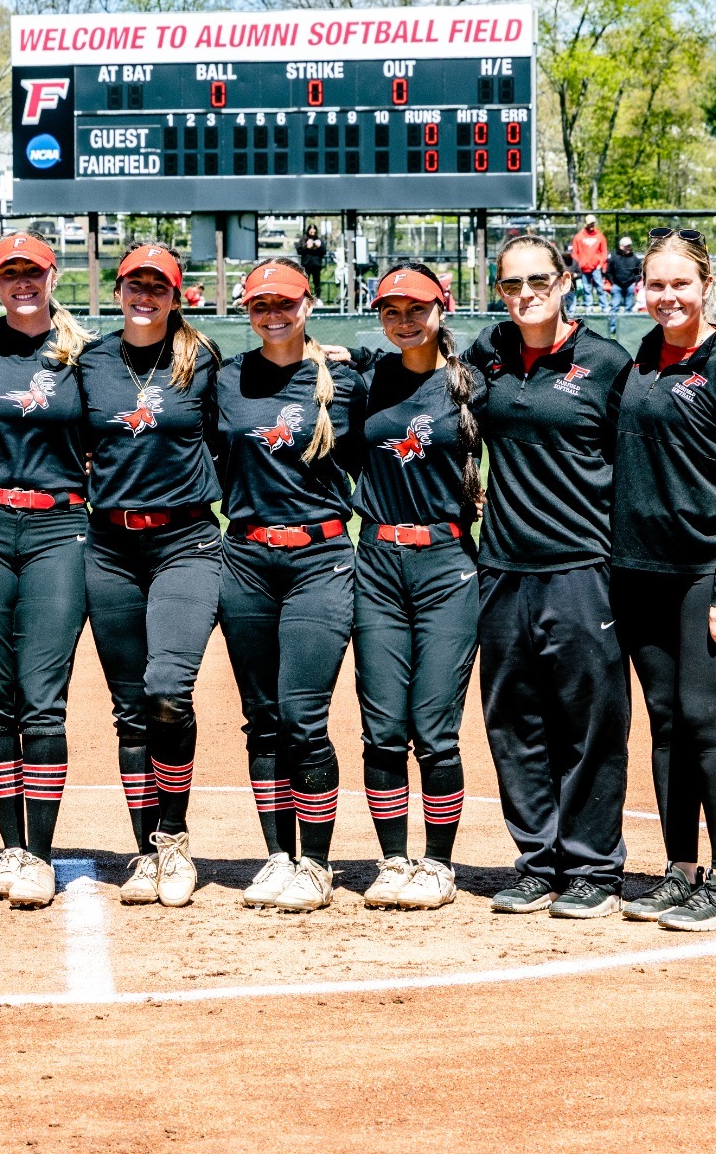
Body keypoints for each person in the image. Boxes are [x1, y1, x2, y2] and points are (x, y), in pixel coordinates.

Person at [464, 235, 635, 918]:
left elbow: (636, 470)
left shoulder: (606, 363)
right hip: (501, 568)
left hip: (581, 569)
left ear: (566, 280)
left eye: (539, 278)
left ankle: (594, 866)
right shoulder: (487, 354)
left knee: (589, 722)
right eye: (511, 284)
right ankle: (538, 859)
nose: (526, 292)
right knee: (513, 720)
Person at [613, 227, 716, 931]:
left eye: (681, 283)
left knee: (706, 720)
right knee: (667, 723)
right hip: (642, 573)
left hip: (706, 576)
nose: (668, 295)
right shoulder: (643, 358)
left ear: (707, 285)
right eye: (656, 283)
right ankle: (681, 870)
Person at [212, 259, 362, 913]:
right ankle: (277, 855)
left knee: (303, 716)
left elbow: (433, 355)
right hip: (245, 559)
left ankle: (318, 863)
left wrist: (356, 348)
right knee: (263, 720)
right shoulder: (225, 380)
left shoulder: (346, 378)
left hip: (319, 558)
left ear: (309, 302)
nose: (272, 314)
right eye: (259, 304)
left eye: (285, 302)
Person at [0, 232, 96, 909]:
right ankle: (12, 845)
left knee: (42, 693)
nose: (21, 283)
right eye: (9, 273)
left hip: (57, 526)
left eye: (31, 272)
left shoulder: (81, 352)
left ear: (51, 274)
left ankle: (40, 853)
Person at [77, 244, 223, 909]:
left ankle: (174, 836)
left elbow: (228, 436)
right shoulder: (93, 362)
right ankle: (146, 853)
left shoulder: (202, 360)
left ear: (176, 294)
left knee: (168, 687)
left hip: (185, 541)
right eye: (135, 284)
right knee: (130, 709)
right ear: (119, 289)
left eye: (157, 287)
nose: (145, 296)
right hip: (109, 546)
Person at [349, 264, 486, 911]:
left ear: (442, 307)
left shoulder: (469, 383)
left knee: (433, 728)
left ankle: (438, 862)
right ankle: (394, 859)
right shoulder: (366, 378)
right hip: (376, 561)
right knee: (381, 728)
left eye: (417, 307)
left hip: (446, 565)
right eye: (391, 309)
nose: (404, 319)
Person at [570, 216, 609, 314]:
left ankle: (605, 308)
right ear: (586, 224)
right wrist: (578, 265)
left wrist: (601, 263)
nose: (591, 225)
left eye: (593, 223)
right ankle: (589, 308)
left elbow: (603, 251)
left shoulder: (600, 236)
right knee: (586, 289)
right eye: (589, 223)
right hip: (583, 269)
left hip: (596, 268)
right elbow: (575, 253)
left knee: (600, 288)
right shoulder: (579, 237)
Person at [605, 236, 642, 317]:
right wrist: (613, 283)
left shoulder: (635, 258)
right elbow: (608, 272)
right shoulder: (614, 257)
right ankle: (612, 329)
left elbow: (639, 272)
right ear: (621, 246)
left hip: (630, 286)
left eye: (629, 246)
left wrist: (634, 283)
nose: (629, 248)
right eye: (626, 246)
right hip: (616, 286)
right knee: (614, 308)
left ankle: (627, 328)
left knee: (629, 309)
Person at [295, 225, 326, 299]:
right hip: (306, 264)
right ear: (308, 231)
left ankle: (317, 298)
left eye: (314, 231)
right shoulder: (304, 239)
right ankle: (305, 297)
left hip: (316, 264)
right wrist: (306, 246)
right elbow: (299, 250)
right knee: (305, 282)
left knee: (317, 282)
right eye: (311, 231)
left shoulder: (319, 239)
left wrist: (319, 246)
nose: (313, 233)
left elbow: (324, 251)